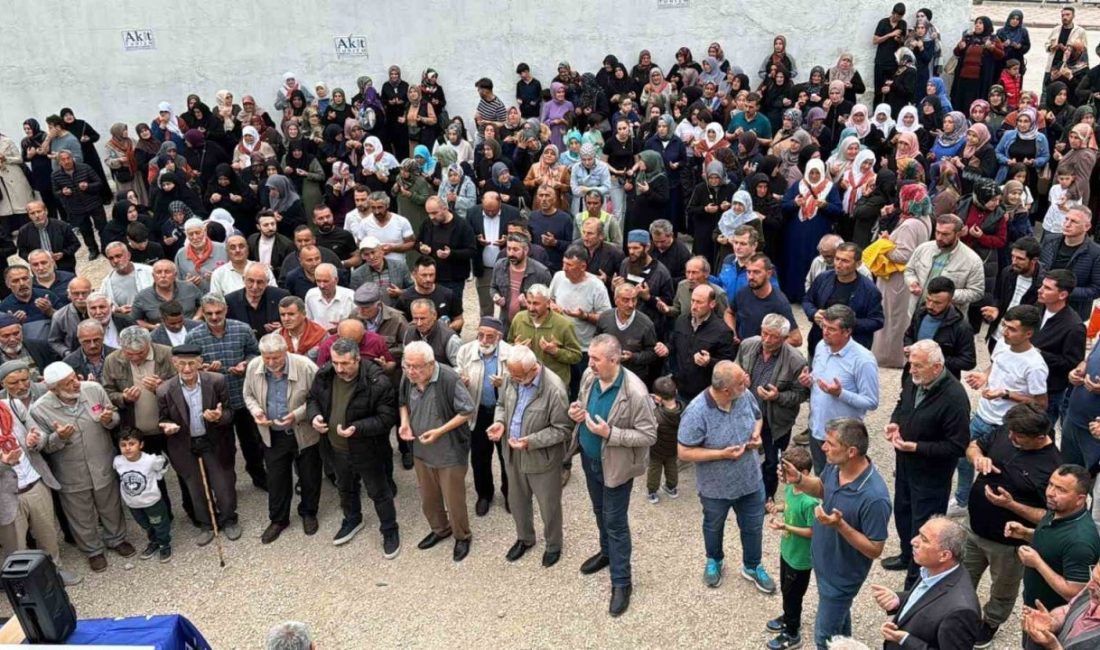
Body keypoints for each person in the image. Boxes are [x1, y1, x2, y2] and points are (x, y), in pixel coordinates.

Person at [778, 417, 891, 650]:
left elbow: (875, 549)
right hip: (824, 564)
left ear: (851, 451)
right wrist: (799, 480)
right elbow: (822, 489)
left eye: (830, 443)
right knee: (838, 628)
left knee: (824, 639)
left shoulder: (875, 498)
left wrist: (840, 526)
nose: (823, 447)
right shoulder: (835, 466)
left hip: (841, 577)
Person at [568, 334, 657, 617]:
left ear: (614, 360)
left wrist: (611, 433)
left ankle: (622, 582)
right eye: (590, 358)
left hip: (615, 468)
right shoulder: (589, 377)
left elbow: (649, 435)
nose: (590, 364)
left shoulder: (636, 393)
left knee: (615, 523)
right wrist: (577, 411)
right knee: (599, 511)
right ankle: (606, 553)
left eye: (596, 359)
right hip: (590, 459)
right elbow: (582, 401)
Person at [962, 403, 1062, 648]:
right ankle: (961, 613)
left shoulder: (1052, 468)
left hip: (1007, 544)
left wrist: (1011, 505)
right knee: (961, 577)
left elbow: (1050, 516)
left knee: (1003, 589)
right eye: (1010, 432)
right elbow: (974, 445)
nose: (1010, 438)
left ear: (1040, 437)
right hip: (973, 529)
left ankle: (991, 622)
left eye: (1018, 437)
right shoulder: (1010, 429)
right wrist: (978, 459)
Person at [678, 361, 775, 594]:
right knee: (713, 526)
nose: (747, 384)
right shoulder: (696, 411)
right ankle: (714, 560)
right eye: (741, 382)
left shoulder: (744, 396)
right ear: (726, 390)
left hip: (750, 480)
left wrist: (756, 434)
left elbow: (757, 417)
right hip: (715, 488)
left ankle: (752, 566)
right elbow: (684, 451)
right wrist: (721, 454)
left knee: (753, 527)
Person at [880, 340, 970, 589]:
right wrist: (895, 423)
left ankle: (915, 581)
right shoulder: (915, 380)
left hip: (931, 476)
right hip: (905, 465)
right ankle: (906, 555)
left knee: (924, 526)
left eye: (918, 366)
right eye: (911, 364)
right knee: (903, 512)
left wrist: (918, 447)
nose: (912, 370)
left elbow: (957, 446)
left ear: (937, 367)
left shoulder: (955, 397)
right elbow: (902, 403)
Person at [31, 362, 135, 572]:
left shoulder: (93, 389)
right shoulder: (39, 409)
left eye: (74, 378)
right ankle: (93, 550)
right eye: (67, 383)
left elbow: (114, 416)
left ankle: (116, 539)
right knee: (80, 513)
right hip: (71, 470)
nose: (75, 384)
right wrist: (59, 437)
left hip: (101, 460)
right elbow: (43, 446)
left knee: (110, 505)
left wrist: (109, 419)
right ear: (53, 389)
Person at [954, 304, 1049, 513]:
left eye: (1012, 329)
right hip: (982, 415)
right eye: (1004, 326)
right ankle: (962, 500)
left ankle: (986, 508)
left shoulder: (1035, 366)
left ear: (1028, 333)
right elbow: (995, 364)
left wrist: (1006, 394)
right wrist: (984, 376)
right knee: (963, 458)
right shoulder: (1003, 345)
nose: (1005, 332)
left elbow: (1041, 404)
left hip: (1005, 426)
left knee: (994, 471)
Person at [487, 344, 571, 566]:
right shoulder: (512, 377)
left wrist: (531, 441)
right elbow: (501, 404)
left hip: (541, 459)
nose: (513, 380)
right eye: (512, 375)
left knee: (549, 506)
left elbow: (563, 430)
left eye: (518, 376)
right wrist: (499, 422)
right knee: (517, 501)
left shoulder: (554, 389)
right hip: (513, 454)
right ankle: (525, 538)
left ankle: (553, 545)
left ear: (534, 369)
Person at [398, 341, 476, 562]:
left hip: (449, 451)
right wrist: (405, 423)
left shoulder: (449, 379)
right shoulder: (408, 376)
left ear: (431, 364)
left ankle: (462, 536)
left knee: (454, 500)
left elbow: (467, 411)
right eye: (407, 365)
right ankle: (440, 529)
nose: (411, 371)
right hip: (421, 449)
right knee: (428, 497)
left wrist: (440, 431)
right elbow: (402, 402)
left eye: (416, 367)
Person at [155, 345, 240, 546]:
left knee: (223, 484)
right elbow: (163, 419)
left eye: (191, 363)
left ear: (200, 363)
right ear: (174, 364)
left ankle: (229, 519)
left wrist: (219, 417)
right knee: (196, 488)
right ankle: (206, 524)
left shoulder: (217, 381)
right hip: (184, 444)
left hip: (214, 441)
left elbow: (230, 413)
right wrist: (167, 426)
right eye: (181, 364)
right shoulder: (164, 390)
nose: (187, 368)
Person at [243, 334, 320, 545]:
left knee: (309, 476)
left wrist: (297, 414)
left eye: (275, 357)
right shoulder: (254, 366)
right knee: (277, 479)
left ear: (285, 352)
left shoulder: (306, 366)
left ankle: (309, 512)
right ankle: (278, 520)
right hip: (273, 434)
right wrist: (256, 411)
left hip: (303, 432)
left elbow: (319, 397)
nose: (270, 362)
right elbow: (248, 395)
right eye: (266, 357)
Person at [185, 293, 265, 490]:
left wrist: (246, 364)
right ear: (202, 313)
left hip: (242, 396)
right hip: (215, 403)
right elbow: (188, 366)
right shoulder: (193, 336)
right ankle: (228, 485)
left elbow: (255, 353)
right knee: (223, 448)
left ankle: (259, 476)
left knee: (252, 443)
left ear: (226, 310)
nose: (214, 317)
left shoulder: (242, 329)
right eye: (209, 313)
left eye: (218, 312)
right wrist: (202, 368)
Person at [869, 517, 981, 650]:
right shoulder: (936, 569)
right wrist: (898, 600)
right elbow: (928, 596)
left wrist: (905, 640)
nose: (913, 541)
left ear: (944, 556)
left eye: (924, 539)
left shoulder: (962, 612)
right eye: (919, 534)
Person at [736, 313, 810, 502]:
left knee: (772, 461)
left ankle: (767, 497)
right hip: (746, 415)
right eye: (764, 333)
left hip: (775, 422)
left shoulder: (796, 361)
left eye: (774, 336)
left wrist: (778, 397)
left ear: (784, 338)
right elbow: (736, 367)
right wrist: (740, 378)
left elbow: (801, 394)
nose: (767, 340)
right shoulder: (748, 345)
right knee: (743, 454)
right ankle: (744, 490)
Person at [1007, 464, 1100, 615]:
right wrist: (1026, 533)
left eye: (1061, 490)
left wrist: (1037, 563)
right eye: (1051, 484)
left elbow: (1074, 594)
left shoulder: (1080, 542)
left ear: (1080, 499)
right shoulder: (1058, 510)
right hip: (1035, 605)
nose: (1050, 493)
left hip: (1052, 619)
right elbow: (1056, 545)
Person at [804, 305, 880, 474]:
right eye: (823, 326)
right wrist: (809, 381)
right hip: (817, 428)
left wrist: (840, 393)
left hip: (842, 439)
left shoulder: (863, 360)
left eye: (832, 329)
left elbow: (872, 401)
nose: (825, 332)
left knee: (842, 481)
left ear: (847, 332)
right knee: (821, 478)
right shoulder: (821, 346)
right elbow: (818, 381)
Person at [763, 445, 818, 650]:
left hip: (800, 559)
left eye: (786, 471)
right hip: (787, 551)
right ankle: (788, 617)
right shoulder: (790, 487)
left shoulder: (810, 501)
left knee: (794, 595)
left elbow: (813, 532)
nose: (782, 475)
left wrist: (785, 527)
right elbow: (788, 505)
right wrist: (776, 508)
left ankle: (792, 633)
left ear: (804, 473)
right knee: (786, 590)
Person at [455, 317, 512, 516]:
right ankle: (484, 495)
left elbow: (521, 383)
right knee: (479, 457)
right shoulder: (466, 351)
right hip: (477, 412)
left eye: (490, 336)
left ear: (499, 337)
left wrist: (504, 383)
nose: (484, 340)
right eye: (481, 335)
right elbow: (457, 372)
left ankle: (510, 494)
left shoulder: (510, 353)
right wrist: (461, 381)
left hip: (503, 413)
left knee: (507, 456)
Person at [549, 245, 612, 397]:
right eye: (564, 263)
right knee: (558, 388)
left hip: (583, 350)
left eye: (569, 265)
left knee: (581, 391)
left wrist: (584, 316)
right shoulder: (558, 277)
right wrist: (552, 307)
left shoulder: (596, 286)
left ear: (583, 266)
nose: (564, 268)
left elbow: (607, 318)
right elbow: (549, 300)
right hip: (559, 346)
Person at [802, 242, 883, 353]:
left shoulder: (869, 290)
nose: (838, 264)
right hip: (819, 344)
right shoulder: (823, 279)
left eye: (845, 261)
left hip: (851, 350)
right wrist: (813, 313)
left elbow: (877, 321)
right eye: (837, 259)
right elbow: (807, 300)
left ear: (858, 264)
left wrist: (847, 324)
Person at [903, 214, 986, 317]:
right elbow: (909, 270)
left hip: (948, 319)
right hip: (917, 313)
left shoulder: (972, 260)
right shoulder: (923, 248)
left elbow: (977, 292)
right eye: (937, 232)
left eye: (945, 234)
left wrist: (947, 295)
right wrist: (912, 282)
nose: (939, 237)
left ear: (958, 234)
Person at [1032, 270, 1086, 425]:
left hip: (1049, 391)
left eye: (1047, 288)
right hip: (1027, 381)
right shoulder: (1039, 307)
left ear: (1062, 295)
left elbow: (1071, 363)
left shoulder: (1074, 327)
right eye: (1042, 285)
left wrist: (1039, 353)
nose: (1040, 290)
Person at [506, 284, 582, 390]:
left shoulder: (564, 325)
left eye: (536, 303)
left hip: (553, 386)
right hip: (525, 383)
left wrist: (555, 351)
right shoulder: (519, 319)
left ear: (548, 303)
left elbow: (576, 356)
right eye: (528, 302)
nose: (531, 308)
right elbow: (508, 346)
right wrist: (516, 349)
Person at [113, 431, 172, 563]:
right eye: (123, 445)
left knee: (159, 524)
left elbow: (164, 463)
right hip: (133, 504)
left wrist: (158, 476)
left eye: (132, 444)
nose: (127, 448)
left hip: (152, 502)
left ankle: (164, 544)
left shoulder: (150, 460)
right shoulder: (118, 461)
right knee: (146, 525)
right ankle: (154, 541)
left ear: (141, 445)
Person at [902, 276, 977, 379]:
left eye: (937, 303)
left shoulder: (961, 327)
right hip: (912, 376)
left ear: (950, 301)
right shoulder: (920, 313)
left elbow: (968, 361)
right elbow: (909, 335)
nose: (930, 306)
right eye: (928, 300)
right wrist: (910, 347)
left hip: (942, 381)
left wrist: (935, 360)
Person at [1038, 207, 1100, 320]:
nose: (1067, 224)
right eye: (1066, 219)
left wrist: (1062, 292)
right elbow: (1039, 269)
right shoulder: (1049, 240)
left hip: (1071, 313)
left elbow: (1096, 289)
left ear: (1087, 226)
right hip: (1041, 306)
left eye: (1074, 221)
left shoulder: (1096, 253)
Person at [1021, 562, 1100, 650]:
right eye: (1092, 577)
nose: (1089, 586)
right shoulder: (1092, 590)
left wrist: (1054, 647)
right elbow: (1069, 609)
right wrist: (1053, 622)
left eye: (1099, 585)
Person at [983, 235, 1042, 353]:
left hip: (1020, 339)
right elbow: (998, 296)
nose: (1014, 262)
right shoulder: (1007, 272)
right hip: (999, 333)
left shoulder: (1042, 283)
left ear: (1034, 260)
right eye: (1013, 256)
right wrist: (995, 308)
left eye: (1020, 259)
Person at [728, 254, 801, 346]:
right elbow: (729, 313)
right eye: (748, 272)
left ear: (769, 274)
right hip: (742, 348)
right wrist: (732, 332)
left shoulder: (779, 303)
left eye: (756, 272)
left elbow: (796, 339)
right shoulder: (743, 292)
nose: (750, 277)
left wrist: (767, 345)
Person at [594, 283, 658, 382]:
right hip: (607, 375)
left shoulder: (646, 324)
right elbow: (596, 341)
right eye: (625, 300)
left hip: (634, 379)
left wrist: (633, 357)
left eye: (634, 299)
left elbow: (652, 353)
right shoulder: (604, 318)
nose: (631, 305)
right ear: (616, 300)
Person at [50, 150, 105, 260]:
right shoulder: (55, 175)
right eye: (63, 160)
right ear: (59, 162)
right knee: (85, 231)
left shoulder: (85, 167)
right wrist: (63, 192)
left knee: (102, 226)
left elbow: (99, 183)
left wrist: (88, 186)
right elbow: (55, 192)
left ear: (72, 158)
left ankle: (106, 246)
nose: (66, 161)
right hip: (76, 207)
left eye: (68, 158)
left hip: (93, 203)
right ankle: (93, 249)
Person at [490, 234, 552, 330]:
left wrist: (529, 304)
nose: (511, 253)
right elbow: (493, 287)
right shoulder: (500, 266)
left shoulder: (541, 272)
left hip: (530, 327)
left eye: (515, 250)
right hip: (505, 325)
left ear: (526, 250)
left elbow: (549, 303)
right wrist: (495, 296)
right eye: (509, 249)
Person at [226, 263, 291, 341]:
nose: (255, 287)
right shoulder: (230, 301)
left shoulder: (281, 297)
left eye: (260, 282)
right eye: (251, 281)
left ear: (267, 282)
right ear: (243, 279)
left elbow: (294, 322)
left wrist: (282, 329)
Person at [132, 260, 203, 329]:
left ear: (175, 275)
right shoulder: (142, 296)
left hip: (191, 330)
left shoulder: (189, 287)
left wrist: (196, 318)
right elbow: (136, 320)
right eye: (159, 272)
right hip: (161, 334)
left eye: (167, 272)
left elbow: (203, 304)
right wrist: (153, 327)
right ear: (153, 276)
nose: (163, 276)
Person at [16, 201, 80, 273]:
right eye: (32, 213)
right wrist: (33, 259)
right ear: (29, 215)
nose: (37, 215)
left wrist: (63, 253)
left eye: (39, 211)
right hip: (39, 269)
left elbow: (75, 244)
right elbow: (22, 251)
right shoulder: (24, 231)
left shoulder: (61, 226)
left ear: (46, 211)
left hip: (64, 266)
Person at [350, 236, 412, 302]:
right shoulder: (357, 274)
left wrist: (401, 292)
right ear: (362, 257)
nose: (371, 257)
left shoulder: (400, 266)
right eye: (366, 254)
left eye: (373, 252)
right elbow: (355, 298)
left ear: (382, 251)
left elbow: (413, 289)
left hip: (397, 307)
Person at [873, 4, 909, 106]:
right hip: (881, 61)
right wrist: (890, 34)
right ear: (892, 13)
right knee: (878, 91)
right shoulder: (883, 22)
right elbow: (875, 40)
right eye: (896, 16)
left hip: (894, 63)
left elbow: (904, 42)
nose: (897, 18)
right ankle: (876, 111)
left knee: (892, 90)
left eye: (900, 17)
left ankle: (889, 112)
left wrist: (899, 40)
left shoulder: (903, 24)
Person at [304, 264, 355, 334]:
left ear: (336, 280)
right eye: (318, 281)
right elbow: (308, 321)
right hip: (318, 337)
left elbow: (358, 323)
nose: (322, 286)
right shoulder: (311, 295)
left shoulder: (350, 296)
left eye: (325, 281)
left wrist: (343, 326)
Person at [100, 243, 154, 308]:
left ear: (128, 255)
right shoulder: (107, 283)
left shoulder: (149, 272)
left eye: (118, 256)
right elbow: (103, 306)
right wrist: (118, 310)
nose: (115, 261)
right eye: (111, 258)